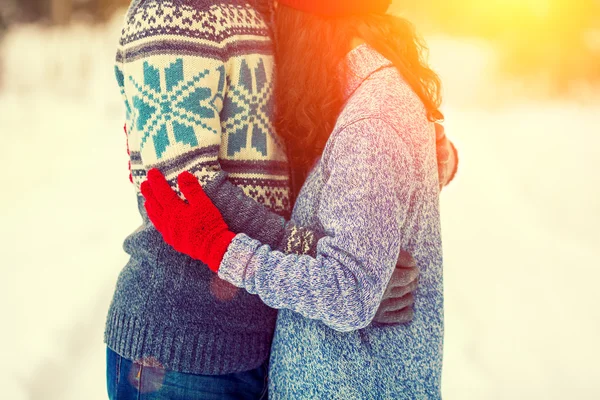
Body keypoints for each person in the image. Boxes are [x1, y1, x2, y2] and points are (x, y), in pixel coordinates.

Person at [105, 0, 456, 398]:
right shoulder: (175, 12)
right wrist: (331, 272)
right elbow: (185, 189)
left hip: (264, 343)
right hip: (183, 346)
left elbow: (316, 156)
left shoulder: (271, 10)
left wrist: (422, 154)